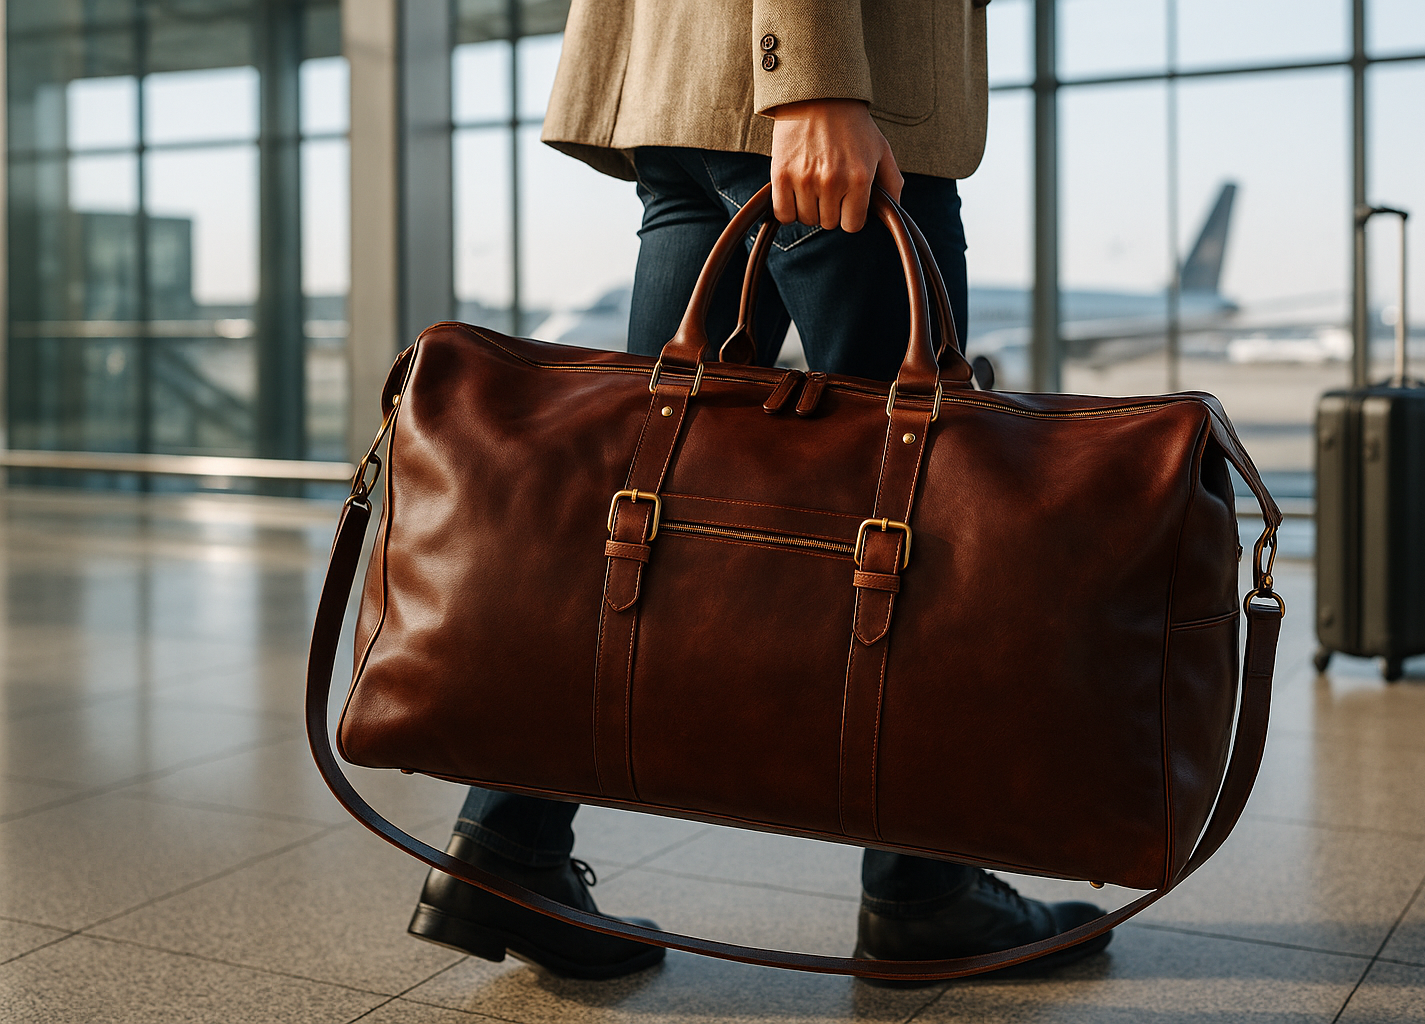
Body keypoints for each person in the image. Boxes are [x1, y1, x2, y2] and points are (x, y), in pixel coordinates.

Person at [406, 0, 1112, 985]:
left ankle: (507, 843)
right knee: (927, 514)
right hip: (826, 85)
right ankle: (925, 890)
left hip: (691, 84)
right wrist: (810, 79)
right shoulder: (813, 87)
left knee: (635, 506)